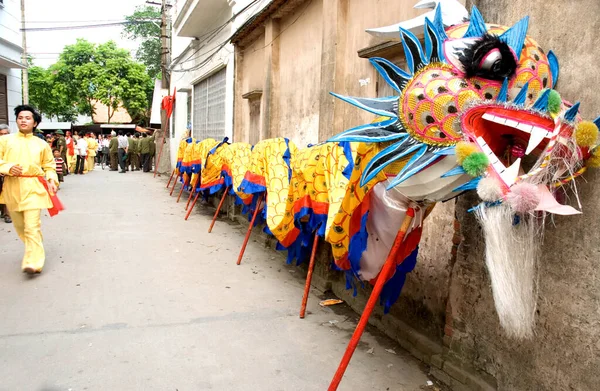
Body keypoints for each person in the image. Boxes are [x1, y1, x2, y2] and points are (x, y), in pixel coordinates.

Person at [0, 105, 59, 274]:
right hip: (12, 188)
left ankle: (34, 262)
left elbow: (49, 165)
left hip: (34, 187)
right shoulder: (5, 141)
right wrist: (8, 167)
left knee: (32, 226)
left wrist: (51, 179)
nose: (23, 120)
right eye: (20, 117)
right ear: (16, 120)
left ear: (34, 123)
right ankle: (35, 250)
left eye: (27, 118)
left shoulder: (41, 144)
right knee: (20, 227)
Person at [0, 124, 11, 223]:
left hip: (7, 173)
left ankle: (7, 214)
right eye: (1, 134)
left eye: (5, 134)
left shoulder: (12, 145)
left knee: (7, 193)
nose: (3, 136)